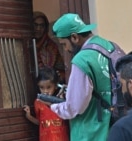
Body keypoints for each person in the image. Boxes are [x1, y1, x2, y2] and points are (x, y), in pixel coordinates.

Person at [48, 13, 125, 141]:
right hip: (119, 126)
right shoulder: (112, 47)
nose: (66, 49)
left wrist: (54, 106)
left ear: (74, 37)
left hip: (93, 132)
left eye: (63, 44)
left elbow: (75, 107)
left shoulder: (82, 60)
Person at [23, 67, 69, 141]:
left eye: (48, 87)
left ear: (56, 86)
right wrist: (29, 116)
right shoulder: (38, 102)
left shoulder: (60, 101)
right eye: (42, 87)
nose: (45, 91)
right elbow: (40, 122)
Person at [33, 11, 65, 83]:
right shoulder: (26, 45)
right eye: (35, 25)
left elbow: (61, 71)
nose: (38, 29)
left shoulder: (51, 46)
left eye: (42, 26)